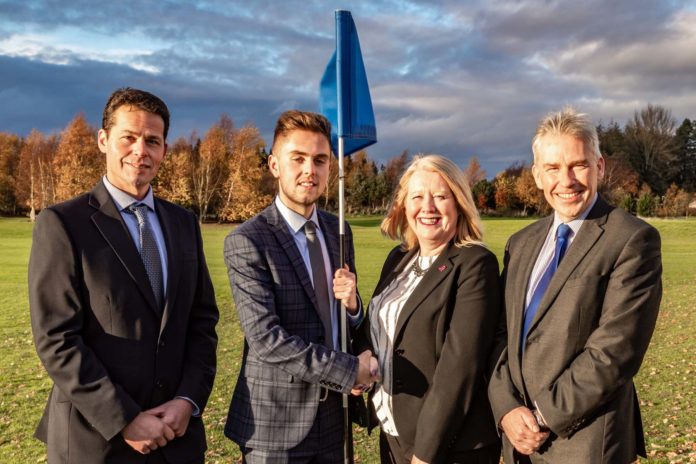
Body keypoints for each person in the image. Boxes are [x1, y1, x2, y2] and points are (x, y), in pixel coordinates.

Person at [29, 87, 219, 463]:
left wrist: (187, 400)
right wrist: (125, 418)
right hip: (97, 442)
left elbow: (202, 322)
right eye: (128, 138)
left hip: (175, 439)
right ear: (103, 140)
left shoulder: (184, 223)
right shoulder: (63, 224)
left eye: (152, 140)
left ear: (164, 149)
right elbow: (57, 338)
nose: (140, 150)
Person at [488, 107, 662, 463]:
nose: (565, 181)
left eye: (578, 165)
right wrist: (506, 408)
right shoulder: (521, 243)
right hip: (517, 440)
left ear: (599, 167)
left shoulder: (632, 239)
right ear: (537, 175)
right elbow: (499, 334)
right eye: (552, 168)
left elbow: (614, 352)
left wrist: (541, 418)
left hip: (587, 443)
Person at [223, 109, 379, 463]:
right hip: (276, 428)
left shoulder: (338, 230)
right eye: (298, 158)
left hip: (335, 420)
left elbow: (344, 318)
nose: (310, 170)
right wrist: (348, 369)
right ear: (275, 164)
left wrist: (353, 306)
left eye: (320, 160)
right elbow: (267, 340)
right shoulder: (248, 240)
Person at [354, 154, 503, 464]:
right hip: (394, 433)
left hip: (448, 447)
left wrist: (425, 453)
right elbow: (378, 326)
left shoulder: (475, 265)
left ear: (459, 202)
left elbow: (459, 369)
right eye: (418, 196)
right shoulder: (399, 258)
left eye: (440, 196)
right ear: (404, 205)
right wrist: (364, 357)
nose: (428, 207)